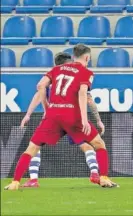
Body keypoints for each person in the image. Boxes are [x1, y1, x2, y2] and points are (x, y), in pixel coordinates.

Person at [4, 44, 118, 190]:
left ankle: (15, 182)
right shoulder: (86, 72)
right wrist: (84, 119)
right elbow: (83, 94)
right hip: (73, 116)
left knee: (31, 148)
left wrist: (47, 108)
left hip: (53, 115)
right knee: (99, 144)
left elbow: (40, 86)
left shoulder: (56, 69)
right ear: (87, 57)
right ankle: (103, 178)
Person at [20, 52, 105, 188]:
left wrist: (28, 114)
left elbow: (38, 93)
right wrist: (98, 120)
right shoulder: (77, 76)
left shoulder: (52, 76)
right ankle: (95, 173)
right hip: (72, 119)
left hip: (53, 119)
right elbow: (89, 100)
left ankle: (33, 179)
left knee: (35, 147)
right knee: (87, 145)